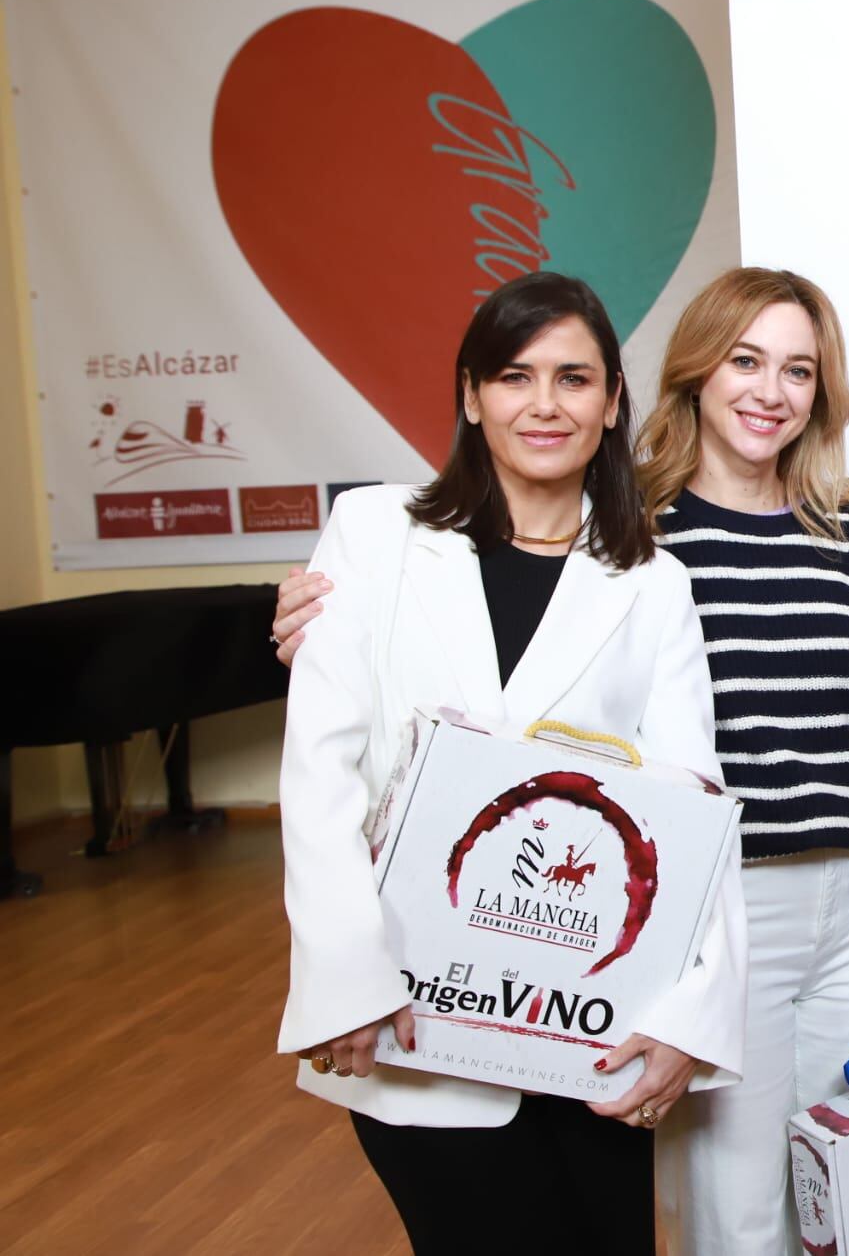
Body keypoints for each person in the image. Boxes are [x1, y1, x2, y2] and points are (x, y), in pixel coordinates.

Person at [276, 267, 849, 1256]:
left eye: (797, 370)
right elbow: (338, 755)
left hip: (787, 926)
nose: (768, 390)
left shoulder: (773, 552)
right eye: (743, 360)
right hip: (562, 946)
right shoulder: (618, 534)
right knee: (723, 1220)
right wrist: (306, 622)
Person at [276, 271, 745, 1254]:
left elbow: (693, 802)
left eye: (573, 379)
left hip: (594, 1023)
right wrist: (345, 976)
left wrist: (691, 1015)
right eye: (513, 376)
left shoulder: (653, 581)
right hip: (415, 1016)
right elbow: (319, 772)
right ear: (468, 394)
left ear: (613, 401)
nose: (543, 404)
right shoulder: (373, 535)